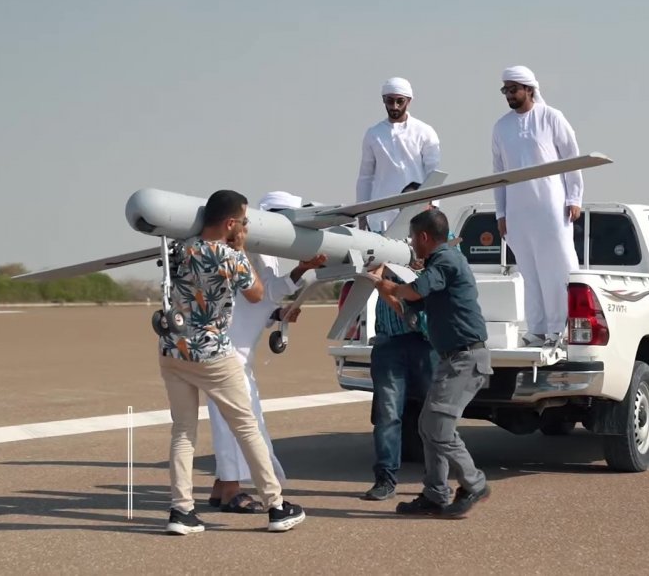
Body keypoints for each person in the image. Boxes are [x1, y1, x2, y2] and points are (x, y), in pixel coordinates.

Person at [157, 189, 306, 535]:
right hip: (212, 354)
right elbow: (256, 294)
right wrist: (239, 248)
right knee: (246, 426)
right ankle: (277, 506)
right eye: (243, 221)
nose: (246, 226)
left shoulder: (181, 248)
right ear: (229, 223)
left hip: (173, 350)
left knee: (182, 433)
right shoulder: (229, 256)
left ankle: (181, 512)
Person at [363, 208, 493, 518]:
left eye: (412, 237)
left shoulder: (446, 260)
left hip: (466, 359)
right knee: (428, 426)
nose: (410, 243)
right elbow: (410, 310)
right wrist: (384, 288)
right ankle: (436, 493)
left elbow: (416, 290)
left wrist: (391, 285)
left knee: (438, 427)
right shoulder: (439, 265)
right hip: (453, 359)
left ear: (423, 237)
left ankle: (474, 483)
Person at [206, 191, 328, 513]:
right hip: (225, 354)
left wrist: (301, 272)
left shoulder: (265, 254)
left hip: (239, 356)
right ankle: (232, 491)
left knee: (246, 423)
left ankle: (221, 488)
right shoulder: (243, 247)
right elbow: (254, 292)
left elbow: (265, 295)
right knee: (234, 424)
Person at [490, 65, 584, 349]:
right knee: (529, 272)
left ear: (529, 89)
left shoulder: (551, 118)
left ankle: (561, 328)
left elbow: (573, 158)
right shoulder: (501, 126)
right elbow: (498, 173)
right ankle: (538, 329)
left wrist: (574, 198)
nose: (508, 94)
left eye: (513, 89)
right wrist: (501, 213)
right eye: (505, 90)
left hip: (551, 207)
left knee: (556, 269)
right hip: (518, 211)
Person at [362, 183, 441, 502]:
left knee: (435, 413)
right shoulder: (386, 244)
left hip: (425, 342)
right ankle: (385, 479)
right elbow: (371, 272)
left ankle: (438, 481)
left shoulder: (443, 250)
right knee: (387, 414)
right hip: (390, 341)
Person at [356, 77, 441, 233]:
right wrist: (361, 214)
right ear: (384, 100)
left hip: (416, 215)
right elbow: (365, 177)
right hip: (379, 217)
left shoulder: (424, 131)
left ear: (408, 101)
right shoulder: (373, 134)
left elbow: (433, 173)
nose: (394, 106)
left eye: (399, 101)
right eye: (390, 101)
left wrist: (433, 206)